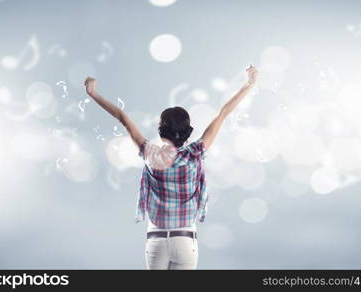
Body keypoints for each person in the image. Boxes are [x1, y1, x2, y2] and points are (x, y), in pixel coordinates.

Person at [84, 65, 259, 269]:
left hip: (156, 239)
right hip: (184, 240)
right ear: (187, 132)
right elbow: (223, 113)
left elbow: (123, 118)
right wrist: (249, 84)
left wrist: (93, 93)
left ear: (160, 130)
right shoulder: (195, 153)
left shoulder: (149, 153)